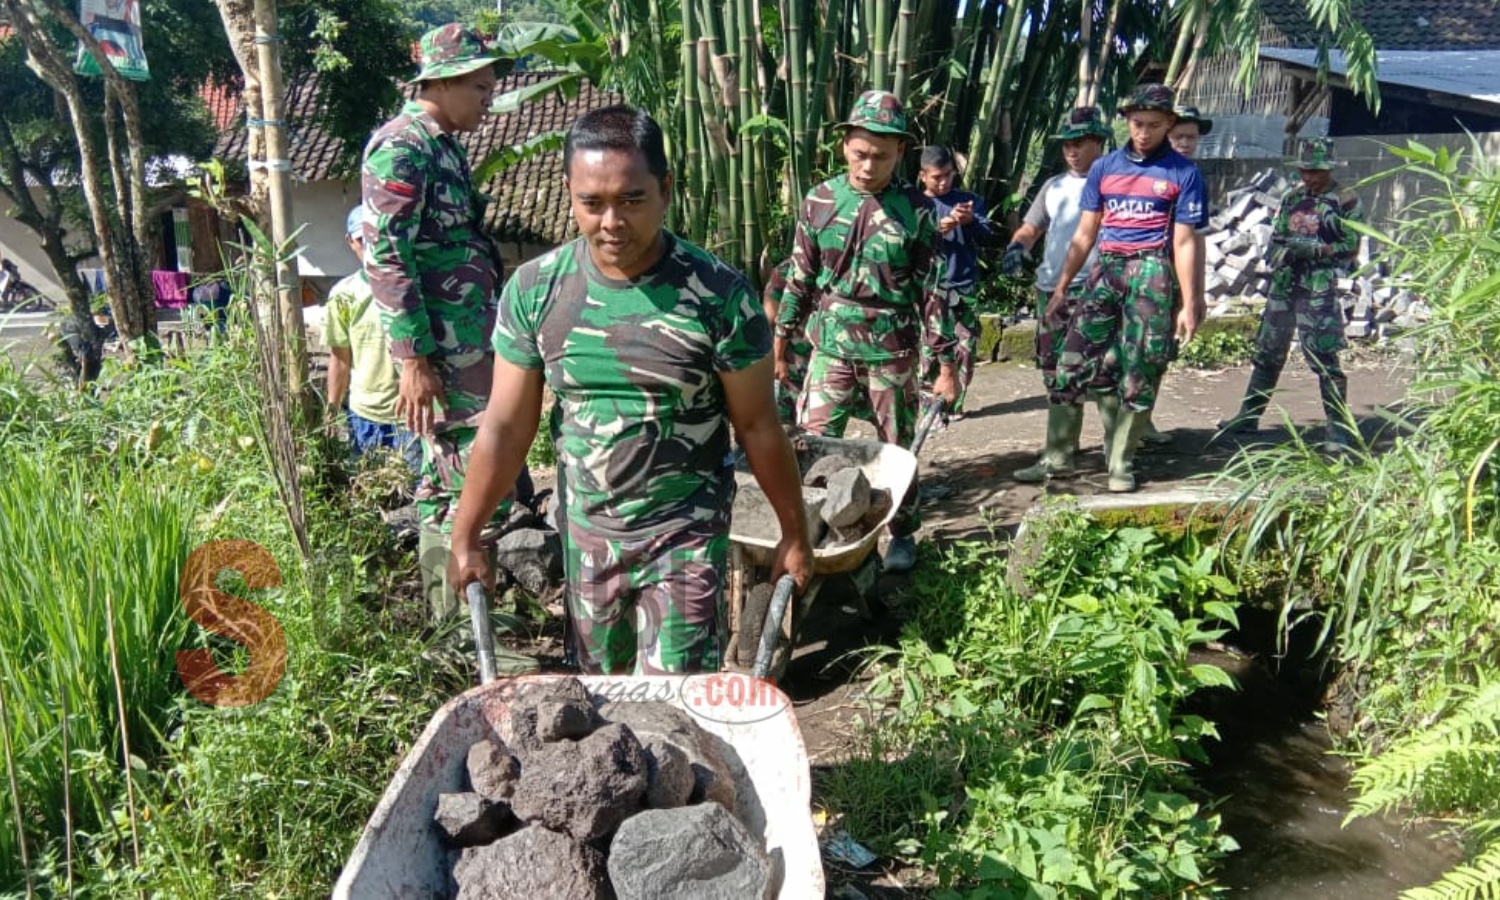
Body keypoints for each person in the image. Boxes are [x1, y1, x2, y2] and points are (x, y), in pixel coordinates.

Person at [448, 105, 813, 675]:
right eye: (591, 204)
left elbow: (759, 425)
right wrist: (466, 532)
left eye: (631, 200)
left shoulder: (717, 296)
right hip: (588, 534)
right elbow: (505, 425)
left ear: (665, 190)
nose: (611, 221)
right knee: (598, 704)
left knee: (672, 709)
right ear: (569, 192)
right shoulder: (536, 290)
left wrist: (794, 530)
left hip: (685, 535)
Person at [360, 23, 533, 638]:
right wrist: (413, 357)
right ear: (440, 81)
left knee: (446, 477)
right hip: (444, 350)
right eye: (481, 86)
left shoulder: (443, 145)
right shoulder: (402, 147)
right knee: (472, 471)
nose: (489, 98)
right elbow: (386, 253)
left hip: (466, 341)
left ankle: (452, 618)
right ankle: (473, 625)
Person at [777, 90, 957, 574]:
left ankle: (902, 533)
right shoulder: (820, 201)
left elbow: (933, 293)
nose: (867, 166)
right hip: (830, 346)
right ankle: (810, 530)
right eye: (859, 154)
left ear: (900, 153)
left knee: (897, 450)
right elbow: (799, 277)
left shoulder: (918, 212)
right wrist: (780, 343)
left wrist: (946, 365)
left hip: (892, 351)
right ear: (844, 147)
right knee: (811, 444)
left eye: (880, 156)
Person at [1043, 83, 1207, 493]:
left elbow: (1185, 241)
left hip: (1152, 272)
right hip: (1106, 269)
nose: (1144, 132)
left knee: (1141, 367)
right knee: (1072, 362)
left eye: (1154, 125)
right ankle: (1059, 458)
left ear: (1169, 124)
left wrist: (1190, 301)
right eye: (1137, 123)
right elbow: (1085, 234)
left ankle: (1120, 463)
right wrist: (1063, 285)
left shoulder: (1183, 174)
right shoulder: (1105, 168)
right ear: (1126, 122)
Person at [1219, 138, 1364, 451]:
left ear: (1330, 169)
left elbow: (1351, 248)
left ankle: (1337, 429)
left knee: (1324, 357)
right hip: (1284, 285)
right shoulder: (1292, 197)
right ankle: (1248, 416)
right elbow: (1278, 235)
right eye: (1306, 170)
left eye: (1317, 171)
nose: (1311, 176)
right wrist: (1278, 251)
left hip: (1319, 287)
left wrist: (1312, 250)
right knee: (1268, 352)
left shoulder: (1345, 200)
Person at [1002, 107, 1111, 483]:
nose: (1072, 151)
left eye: (1080, 143)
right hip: (1050, 289)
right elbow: (1032, 227)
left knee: (1097, 372)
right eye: (1067, 145)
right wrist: (1017, 249)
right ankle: (1061, 446)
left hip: (1094, 287)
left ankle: (1111, 452)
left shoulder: (1113, 184)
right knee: (1053, 371)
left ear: (1099, 142)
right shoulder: (1054, 186)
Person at [1132, 103, 1218, 450]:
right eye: (1179, 135)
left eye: (1191, 137)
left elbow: (1197, 238)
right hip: (1137, 272)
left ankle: (1144, 418)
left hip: (1173, 274)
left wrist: (1196, 292)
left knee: (1160, 350)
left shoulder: (1192, 176)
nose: (1185, 142)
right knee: (1132, 352)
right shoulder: (1141, 171)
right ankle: (1127, 427)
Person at [324, 205, 421, 474]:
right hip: (365, 414)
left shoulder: (414, 287)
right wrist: (331, 411)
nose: (370, 248)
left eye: (375, 239)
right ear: (350, 242)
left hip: (410, 416)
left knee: (417, 493)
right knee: (371, 493)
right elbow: (340, 359)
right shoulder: (344, 295)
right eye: (361, 241)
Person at [917, 145, 992, 424]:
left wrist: (970, 221)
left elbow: (988, 236)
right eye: (937, 177)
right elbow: (905, 241)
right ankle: (927, 407)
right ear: (923, 176)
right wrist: (934, 231)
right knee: (929, 349)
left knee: (966, 346)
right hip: (928, 289)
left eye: (948, 175)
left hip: (964, 286)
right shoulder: (915, 203)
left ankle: (954, 404)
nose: (944, 181)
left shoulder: (968, 201)